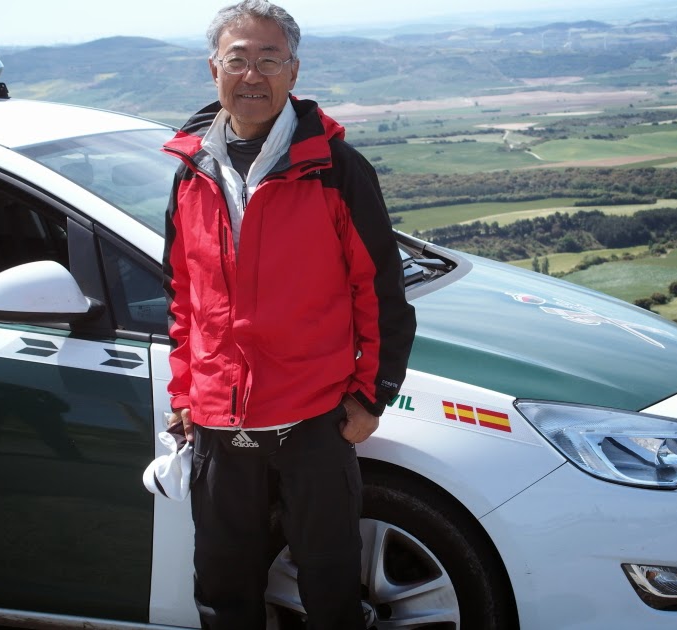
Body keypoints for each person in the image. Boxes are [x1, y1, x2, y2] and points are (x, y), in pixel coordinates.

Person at [161, 1, 417, 628]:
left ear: (294, 71)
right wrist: (186, 393)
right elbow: (184, 296)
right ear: (214, 69)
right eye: (237, 60)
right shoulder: (191, 173)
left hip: (315, 422)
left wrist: (372, 397)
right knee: (223, 590)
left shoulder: (336, 169)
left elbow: (380, 293)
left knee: (331, 591)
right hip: (219, 425)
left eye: (269, 60)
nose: (252, 75)